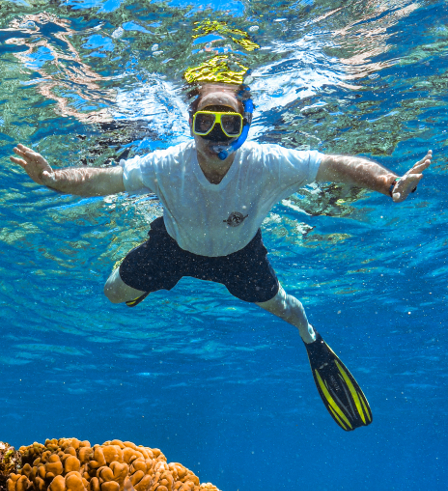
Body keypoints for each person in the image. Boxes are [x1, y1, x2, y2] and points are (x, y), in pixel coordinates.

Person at [10, 82, 432, 431]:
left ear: (245, 127)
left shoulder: (267, 162)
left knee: (285, 309)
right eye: (205, 122)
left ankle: (312, 338)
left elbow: (335, 166)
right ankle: (140, 286)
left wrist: (388, 182)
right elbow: (103, 180)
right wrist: (53, 179)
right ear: (190, 126)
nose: (217, 135)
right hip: (171, 250)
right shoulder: (165, 164)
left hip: (240, 257)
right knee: (112, 294)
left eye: (229, 123)